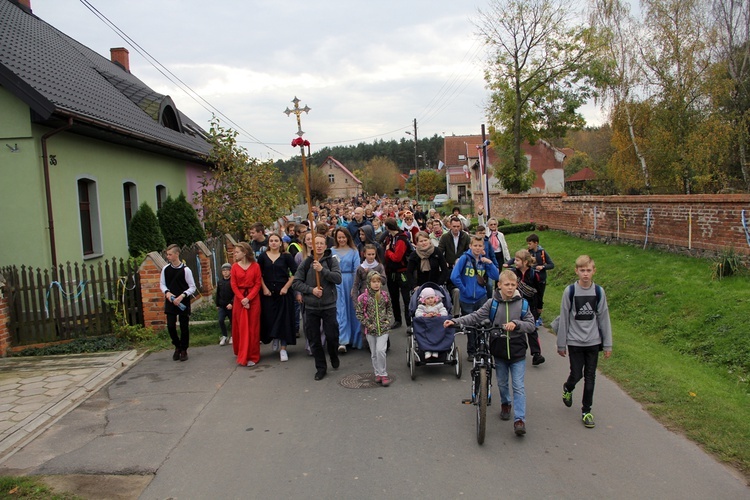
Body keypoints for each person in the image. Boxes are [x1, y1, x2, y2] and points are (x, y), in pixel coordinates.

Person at [445, 270, 536, 436]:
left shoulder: (523, 304)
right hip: (499, 352)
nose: (510, 288)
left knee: (518, 386)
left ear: (517, 285)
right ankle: (505, 403)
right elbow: (475, 317)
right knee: (502, 383)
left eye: (513, 285)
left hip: (518, 351)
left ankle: (519, 420)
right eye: (506, 284)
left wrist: (516, 324)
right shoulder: (492, 303)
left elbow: (531, 325)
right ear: (499, 285)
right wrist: (455, 321)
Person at [557, 255, 613, 429]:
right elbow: (564, 318)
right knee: (577, 373)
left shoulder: (599, 292)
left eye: (589, 270)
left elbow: (604, 318)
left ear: (594, 271)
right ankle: (568, 387)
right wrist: (561, 343)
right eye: (582, 270)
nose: (586, 274)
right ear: (577, 271)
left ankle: (586, 410)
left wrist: (607, 344)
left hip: (593, 341)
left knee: (590, 377)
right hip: (575, 341)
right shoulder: (570, 291)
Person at [292, 234, 342, 380]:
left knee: (332, 335)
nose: (319, 246)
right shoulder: (306, 263)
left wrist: (322, 270)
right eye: (316, 244)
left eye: (322, 243)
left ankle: (333, 355)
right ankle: (321, 367)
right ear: (311, 246)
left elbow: (338, 279)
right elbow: (296, 282)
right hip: (312, 307)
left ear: (325, 246)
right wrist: (311, 290)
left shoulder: (332, 261)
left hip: (328, 305)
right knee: (314, 338)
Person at [451, 235, 500, 358]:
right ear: (470, 246)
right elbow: (454, 276)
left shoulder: (483, 261)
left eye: (480, 246)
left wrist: (489, 263)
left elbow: (496, 276)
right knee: (470, 326)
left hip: (481, 297)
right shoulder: (464, 259)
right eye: (475, 246)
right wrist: (464, 289)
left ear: (483, 247)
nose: (477, 248)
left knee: (482, 324)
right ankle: (471, 351)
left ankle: (482, 349)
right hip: (466, 299)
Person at [258, 233, 298, 362]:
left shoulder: (286, 257)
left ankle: (283, 348)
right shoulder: (263, 257)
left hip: (283, 291)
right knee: (269, 317)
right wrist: (264, 288)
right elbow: (259, 274)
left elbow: (295, 273)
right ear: (268, 243)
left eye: (276, 240)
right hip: (268, 292)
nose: (274, 243)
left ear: (281, 243)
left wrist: (286, 287)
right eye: (271, 241)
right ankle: (274, 337)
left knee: (284, 319)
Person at [355, 271, 395, 386]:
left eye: (378, 281)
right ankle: (377, 372)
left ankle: (383, 374)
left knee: (380, 351)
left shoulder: (385, 295)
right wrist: (368, 324)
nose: (376, 284)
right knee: (374, 353)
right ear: (369, 282)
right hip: (370, 330)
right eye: (374, 281)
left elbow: (389, 308)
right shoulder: (363, 298)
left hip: (383, 329)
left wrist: (387, 320)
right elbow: (359, 313)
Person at [159, 244, 197, 362]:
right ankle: (177, 345)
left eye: (170, 254)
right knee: (171, 326)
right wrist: (167, 293)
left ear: (177, 254)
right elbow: (162, 283)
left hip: (182, 301)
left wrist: (182, 296)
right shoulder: (165, 269)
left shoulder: (186, 270)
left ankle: (184, 349)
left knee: (184, 326)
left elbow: (192, 287)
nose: (168, 256)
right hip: (170, 300)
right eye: (167, 254)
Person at [509, 249, 545, 366]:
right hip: (516, 304)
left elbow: (539, 292)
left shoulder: (534, 275)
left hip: (530, 305)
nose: (515, 261)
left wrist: (539, 306)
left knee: (531, 328)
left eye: (518, 260)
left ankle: (536, 354)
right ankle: (514, 350)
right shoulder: (513, 273)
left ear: (525, 262)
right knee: (515, 327)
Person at [230, 242, 262, 367]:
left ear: (244, 253)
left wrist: (248, 298)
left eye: (237, 252)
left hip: (253, 300)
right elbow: (233, 284)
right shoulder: (234, 267)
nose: (235, 254)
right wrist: (242, 299)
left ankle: (253, 355)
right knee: (240, 327)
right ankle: (242, 353)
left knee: (253, 328)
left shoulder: (255, 266)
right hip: (239, 300)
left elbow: (257, 284)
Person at [331, 228, 362, 351]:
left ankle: (354, 338)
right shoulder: (332, 251)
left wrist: (355, 287)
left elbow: (356, 269)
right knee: (340, 310)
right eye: (339, 237)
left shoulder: (354, 251)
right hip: (337, 282)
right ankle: (342, 340)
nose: (342, 240)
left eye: (344, 237)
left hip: (350, 281)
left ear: (348, 237)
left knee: (352, 310)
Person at [383, 218, 413, 330]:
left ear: (387, 227)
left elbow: (397, 257)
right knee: (394, 298)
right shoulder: (389, 238)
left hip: (402, 272)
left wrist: (388, 251)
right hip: (391, 272)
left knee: (406, 299)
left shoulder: (401, 239)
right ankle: (397, 320)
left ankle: (409, 323)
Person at [438, 217, 471, 316]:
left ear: (461, 226)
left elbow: (469, 251)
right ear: (450, 226)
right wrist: (444, 262)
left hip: (463, 267)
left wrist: (462, 259)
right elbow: (440, 251)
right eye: (454, 227)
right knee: (454, 289)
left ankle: (466, 311)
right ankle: (455, 311)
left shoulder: (465, 236)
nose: (456, 229)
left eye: (458, 226)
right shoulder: (445, 237)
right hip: (450, 267)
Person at [526, 233, 555, 327]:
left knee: (539, 298)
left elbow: (551, 265)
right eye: (528, 244)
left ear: (536, 243)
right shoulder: (528, 252)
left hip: (541, 279)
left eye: (530, 244)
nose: (528, 246)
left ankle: (538, 317)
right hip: (531, 278)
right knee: (531, 297)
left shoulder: (542, 252)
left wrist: (542, 267)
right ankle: (532, 317)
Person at [415, 287, 449, 359]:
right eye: (428, 298)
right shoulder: (422, 307)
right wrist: (425, 315)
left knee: (438, 334)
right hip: (426, 327)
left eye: (432, 298)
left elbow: (445, 313)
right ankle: (427, 350)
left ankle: (435, 350)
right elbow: (417, 314)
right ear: (424, 300)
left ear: (435, 298)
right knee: (425, 336)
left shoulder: (439, 306)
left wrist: (438, 315)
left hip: (437, 326)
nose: (430, 300)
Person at [215, 263, 234, 346]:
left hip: (230, 305)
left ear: (230, 271)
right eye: (223, 271)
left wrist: (232, 303)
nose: (225, 272)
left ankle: (233, 336)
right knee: (221, 320)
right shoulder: (220, 282)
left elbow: (235, 294)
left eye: (227, 270)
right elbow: (218, 293)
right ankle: (224, 335)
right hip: (222, 306)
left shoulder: (233, 281)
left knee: (233, 321)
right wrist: (217, 304)